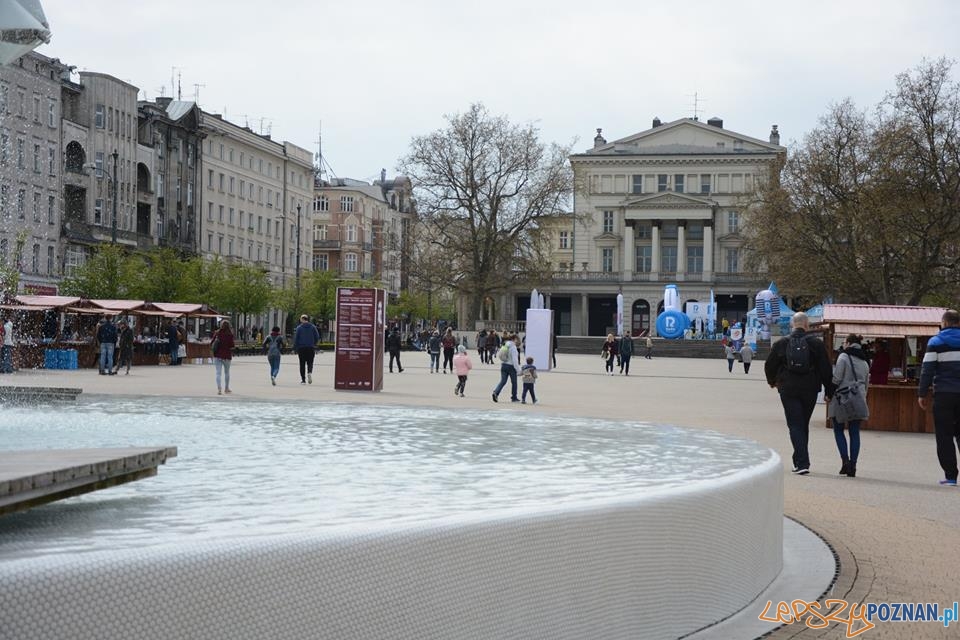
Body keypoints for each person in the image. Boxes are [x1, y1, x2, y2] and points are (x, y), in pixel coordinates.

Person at [764, 312, 835, 475]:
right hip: (810, 388)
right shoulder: (816, 344)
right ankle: (801, 461)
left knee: (795, 424)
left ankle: (802, 462)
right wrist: (829, 390)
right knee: (803, 423)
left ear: (792, 325)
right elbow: (825, 368)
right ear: (807, 325)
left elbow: (769, 365)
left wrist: (772, 382)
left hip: (788, 388)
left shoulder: (782, 343)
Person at [918, 309, 960, 486]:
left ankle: (950, 475)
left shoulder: (935, 342)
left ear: (944, 323)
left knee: (944, 434)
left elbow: (927, 370)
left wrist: (922, 393)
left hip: (943, 393)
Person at [830, 334, 870, 477]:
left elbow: (837, 378)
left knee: (838, 430)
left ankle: (845, 462)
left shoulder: (843, 357)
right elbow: (866, 384)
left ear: (848, 343)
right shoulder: (865, 362)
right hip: (858, 399)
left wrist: (829, 392)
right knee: (854, 432)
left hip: (842, 398)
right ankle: (853, 465)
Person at [492, 333, 521, 403]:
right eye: (517, 339)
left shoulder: (505, 344)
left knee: (503, 381)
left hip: (504, 365)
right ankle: (514, 397)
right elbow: (515, 360)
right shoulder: (513, 347)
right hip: (511, 367)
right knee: (514, 382)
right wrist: (518, 370)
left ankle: (496, 392)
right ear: (515, 339)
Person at [293, 314, 320, 384]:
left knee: (302, 364)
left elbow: (296, 339)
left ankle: (303, 380)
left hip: (301, 348)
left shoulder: (299, 328)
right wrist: (314, 344)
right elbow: (317, 337)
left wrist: (295, 348)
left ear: (302, 319)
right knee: (310, 362)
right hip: (310, 348)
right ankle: (309, 372)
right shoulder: (313, 327)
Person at [211, 319, 235, 395]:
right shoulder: (230, 334)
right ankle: (226, 388)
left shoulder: (217, 333)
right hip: (227, 356)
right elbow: (232, 345)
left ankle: (219, 389)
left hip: (217, 355)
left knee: (218, 373)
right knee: (227, 372)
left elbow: (212, 343)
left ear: (221, 325)